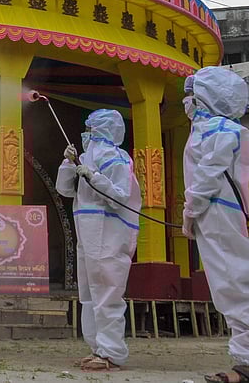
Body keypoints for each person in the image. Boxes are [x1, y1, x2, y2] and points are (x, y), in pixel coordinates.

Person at [182, 66, 249, 383]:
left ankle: (248, 363)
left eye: (191, 95)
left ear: (205, 97)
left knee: (233, 284)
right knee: (235, 283)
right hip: (216, 212)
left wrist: (191, 209)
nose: (187, 101)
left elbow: (210, 171)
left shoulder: (219, 129)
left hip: (216, 211)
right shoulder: (212, 127)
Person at [56, 109, 140, 372]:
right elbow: (65, 190)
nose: (86, 133)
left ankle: (111, 353)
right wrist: (69, 164)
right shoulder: (87, 157)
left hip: (109, 235)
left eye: (90, 128)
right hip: (89, 234)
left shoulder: (116, 158)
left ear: (101, 130)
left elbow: (120, 196)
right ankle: (97, 348)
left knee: (106, 291)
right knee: (90, 294)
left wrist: (92, 176)